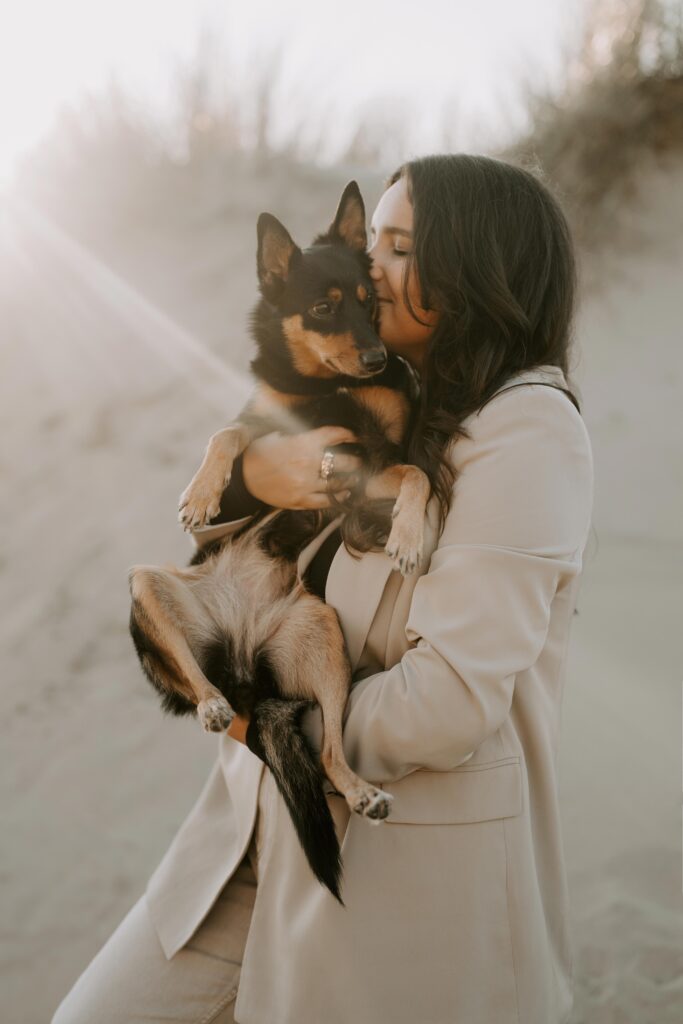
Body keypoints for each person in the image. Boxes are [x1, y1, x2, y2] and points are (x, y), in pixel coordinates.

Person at [53, 154, 594, 1024]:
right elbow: (244, 572)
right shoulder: (405, 398)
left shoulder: (525, 431)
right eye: (367, 240)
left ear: (475, 264)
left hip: (391, 862)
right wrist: (253, 476)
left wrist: (275, 731)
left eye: (396, 247)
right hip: (249, 839)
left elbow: (450, 701)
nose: (366, 269)